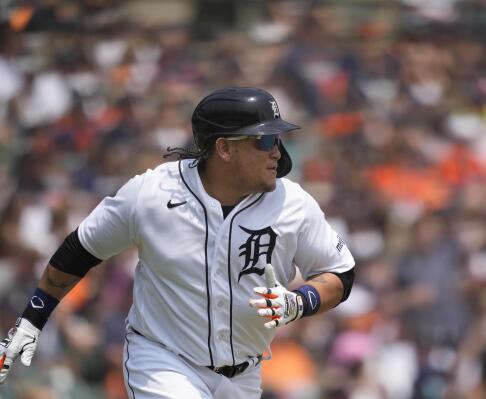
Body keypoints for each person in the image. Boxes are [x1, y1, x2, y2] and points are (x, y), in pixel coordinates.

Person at [0, 87, 356, 398]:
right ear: (225, 149)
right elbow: (79, 252)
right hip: (162, 360)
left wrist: (299, 302)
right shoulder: (152, 194)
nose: (277, 151)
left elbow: (340, 273)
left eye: (278, 139)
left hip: (245, 376)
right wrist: (32, 320)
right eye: (264, 140)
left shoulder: (293, 204)